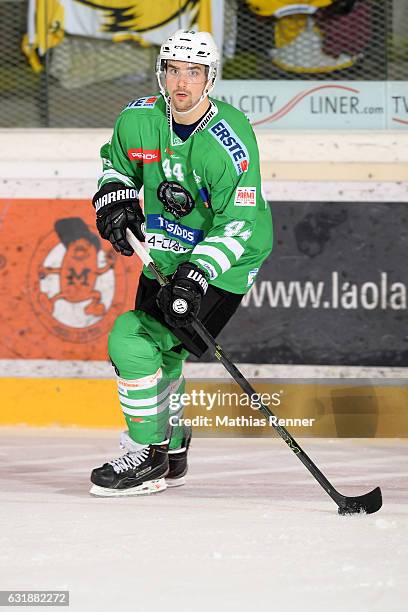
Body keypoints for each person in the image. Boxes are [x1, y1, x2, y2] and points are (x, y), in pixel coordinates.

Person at [89, 29, 273, 497]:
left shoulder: (227, 140)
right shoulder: (138, 119)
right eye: (173, 70)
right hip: (166, 249)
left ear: (210, 78)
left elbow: (240, 219)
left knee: (131, 338)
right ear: (161, 73)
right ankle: (170, 448)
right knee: (164, 352)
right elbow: (117, 165)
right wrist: (114, 200)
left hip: (225, 259)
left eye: (193, 72)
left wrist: (198, 272)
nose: (181, 83)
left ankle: (147, 453)